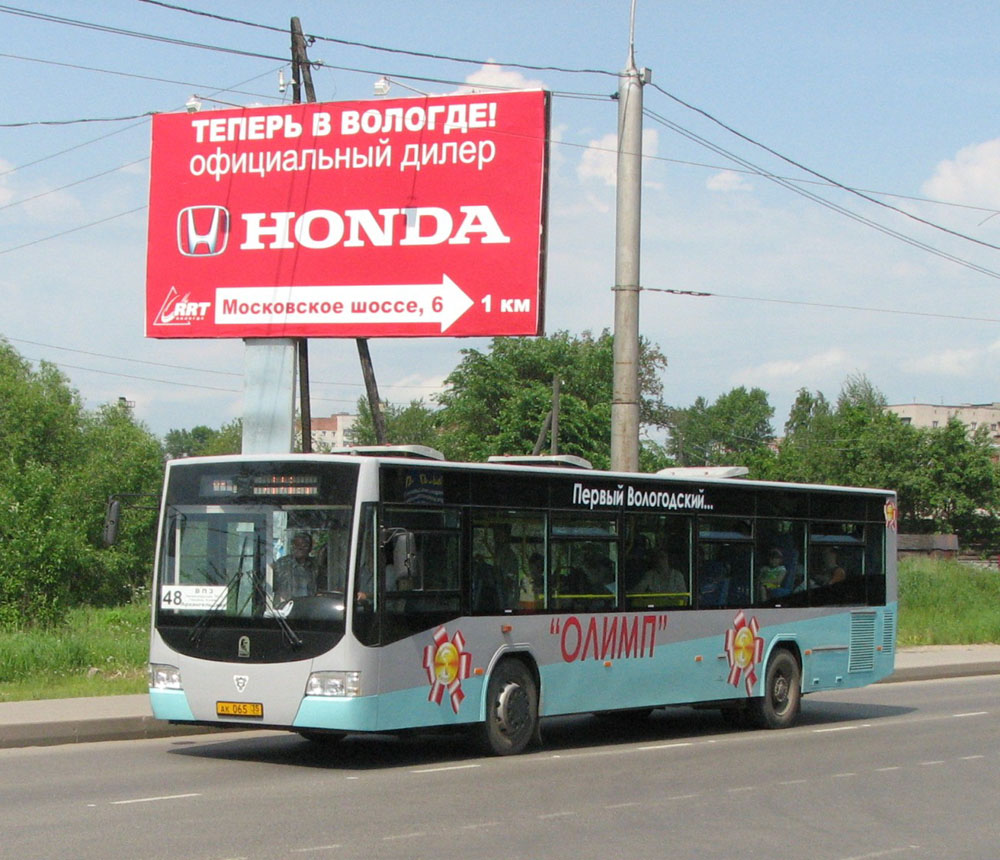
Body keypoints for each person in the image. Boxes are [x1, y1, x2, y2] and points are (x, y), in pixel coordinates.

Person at [272, 531, 317, 604]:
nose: (300, 549)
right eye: (297, 545)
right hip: (285, 610)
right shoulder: (281, 564)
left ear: (310, 548)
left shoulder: (314, 566)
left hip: (307, 608)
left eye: (304, 546)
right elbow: (269, 587)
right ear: (292, 546)